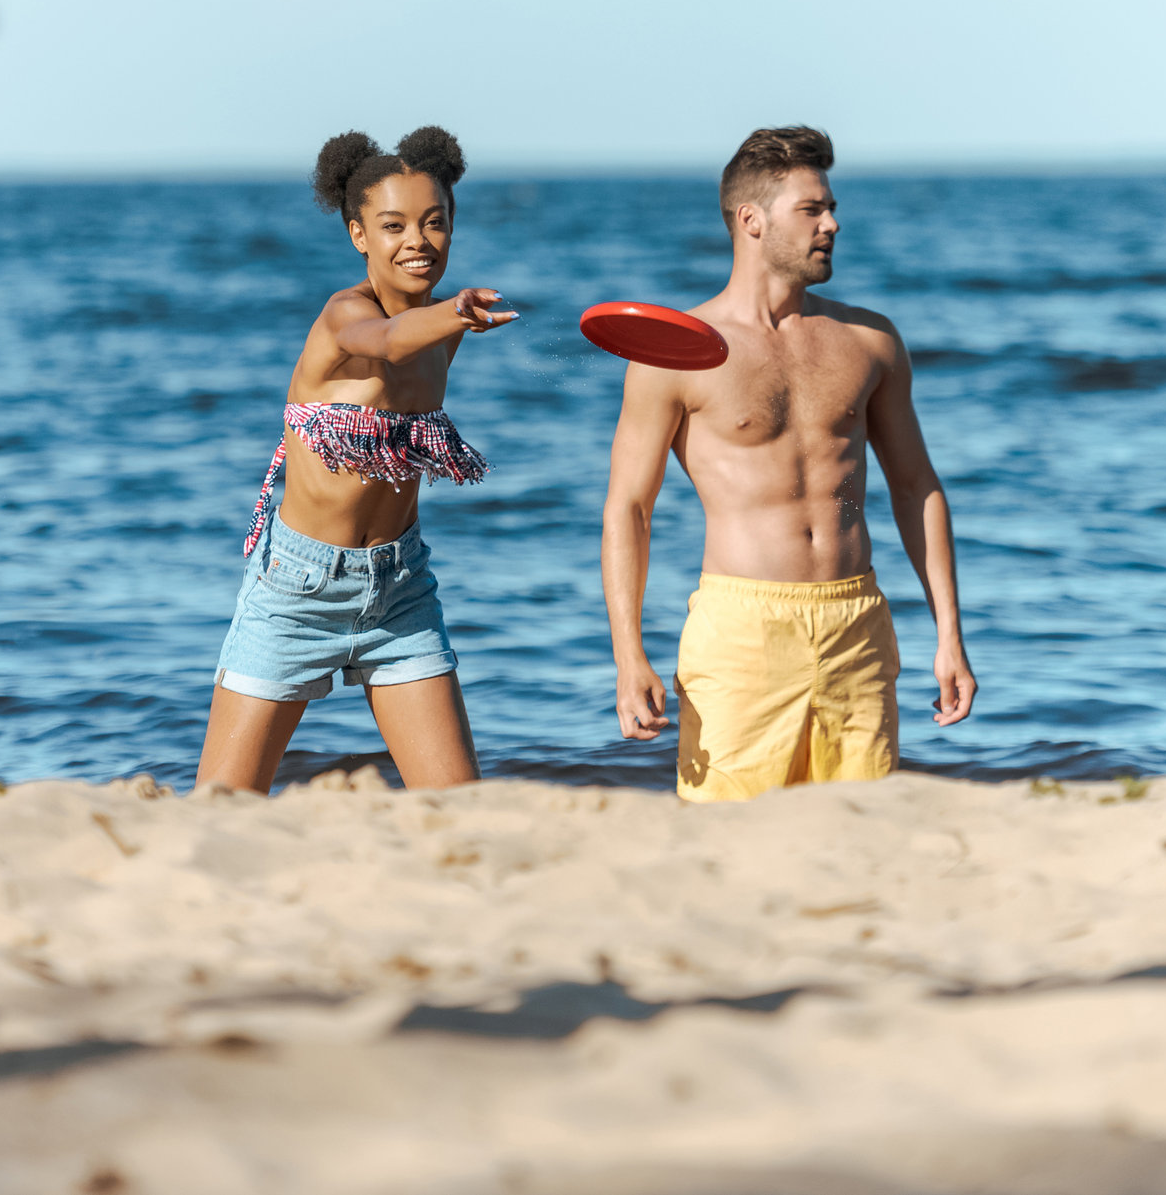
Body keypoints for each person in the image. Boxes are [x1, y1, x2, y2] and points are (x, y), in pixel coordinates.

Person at [601, 127, 975, 801]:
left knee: (860, 835)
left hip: (855, 622)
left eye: (830, 207)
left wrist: (947, 631)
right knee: (727, 844)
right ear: (751, 219)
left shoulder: (869, 340)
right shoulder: (675, 352)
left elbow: (916, 486)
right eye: (812, 209)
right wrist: (629, 654)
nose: (832, 223)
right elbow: (629, 507)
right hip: (741, 632)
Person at [193, 128, 517, 793]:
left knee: (461, 808)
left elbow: (415, 335)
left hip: (400, 590)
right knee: (220, 807)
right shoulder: (345, 315)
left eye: (435, 222)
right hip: (296, 589)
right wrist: (456, 312)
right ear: (357, 234)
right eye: (393, 225)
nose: (417, 240)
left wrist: (449, 318)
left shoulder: (442, 334)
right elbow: (388, 339)